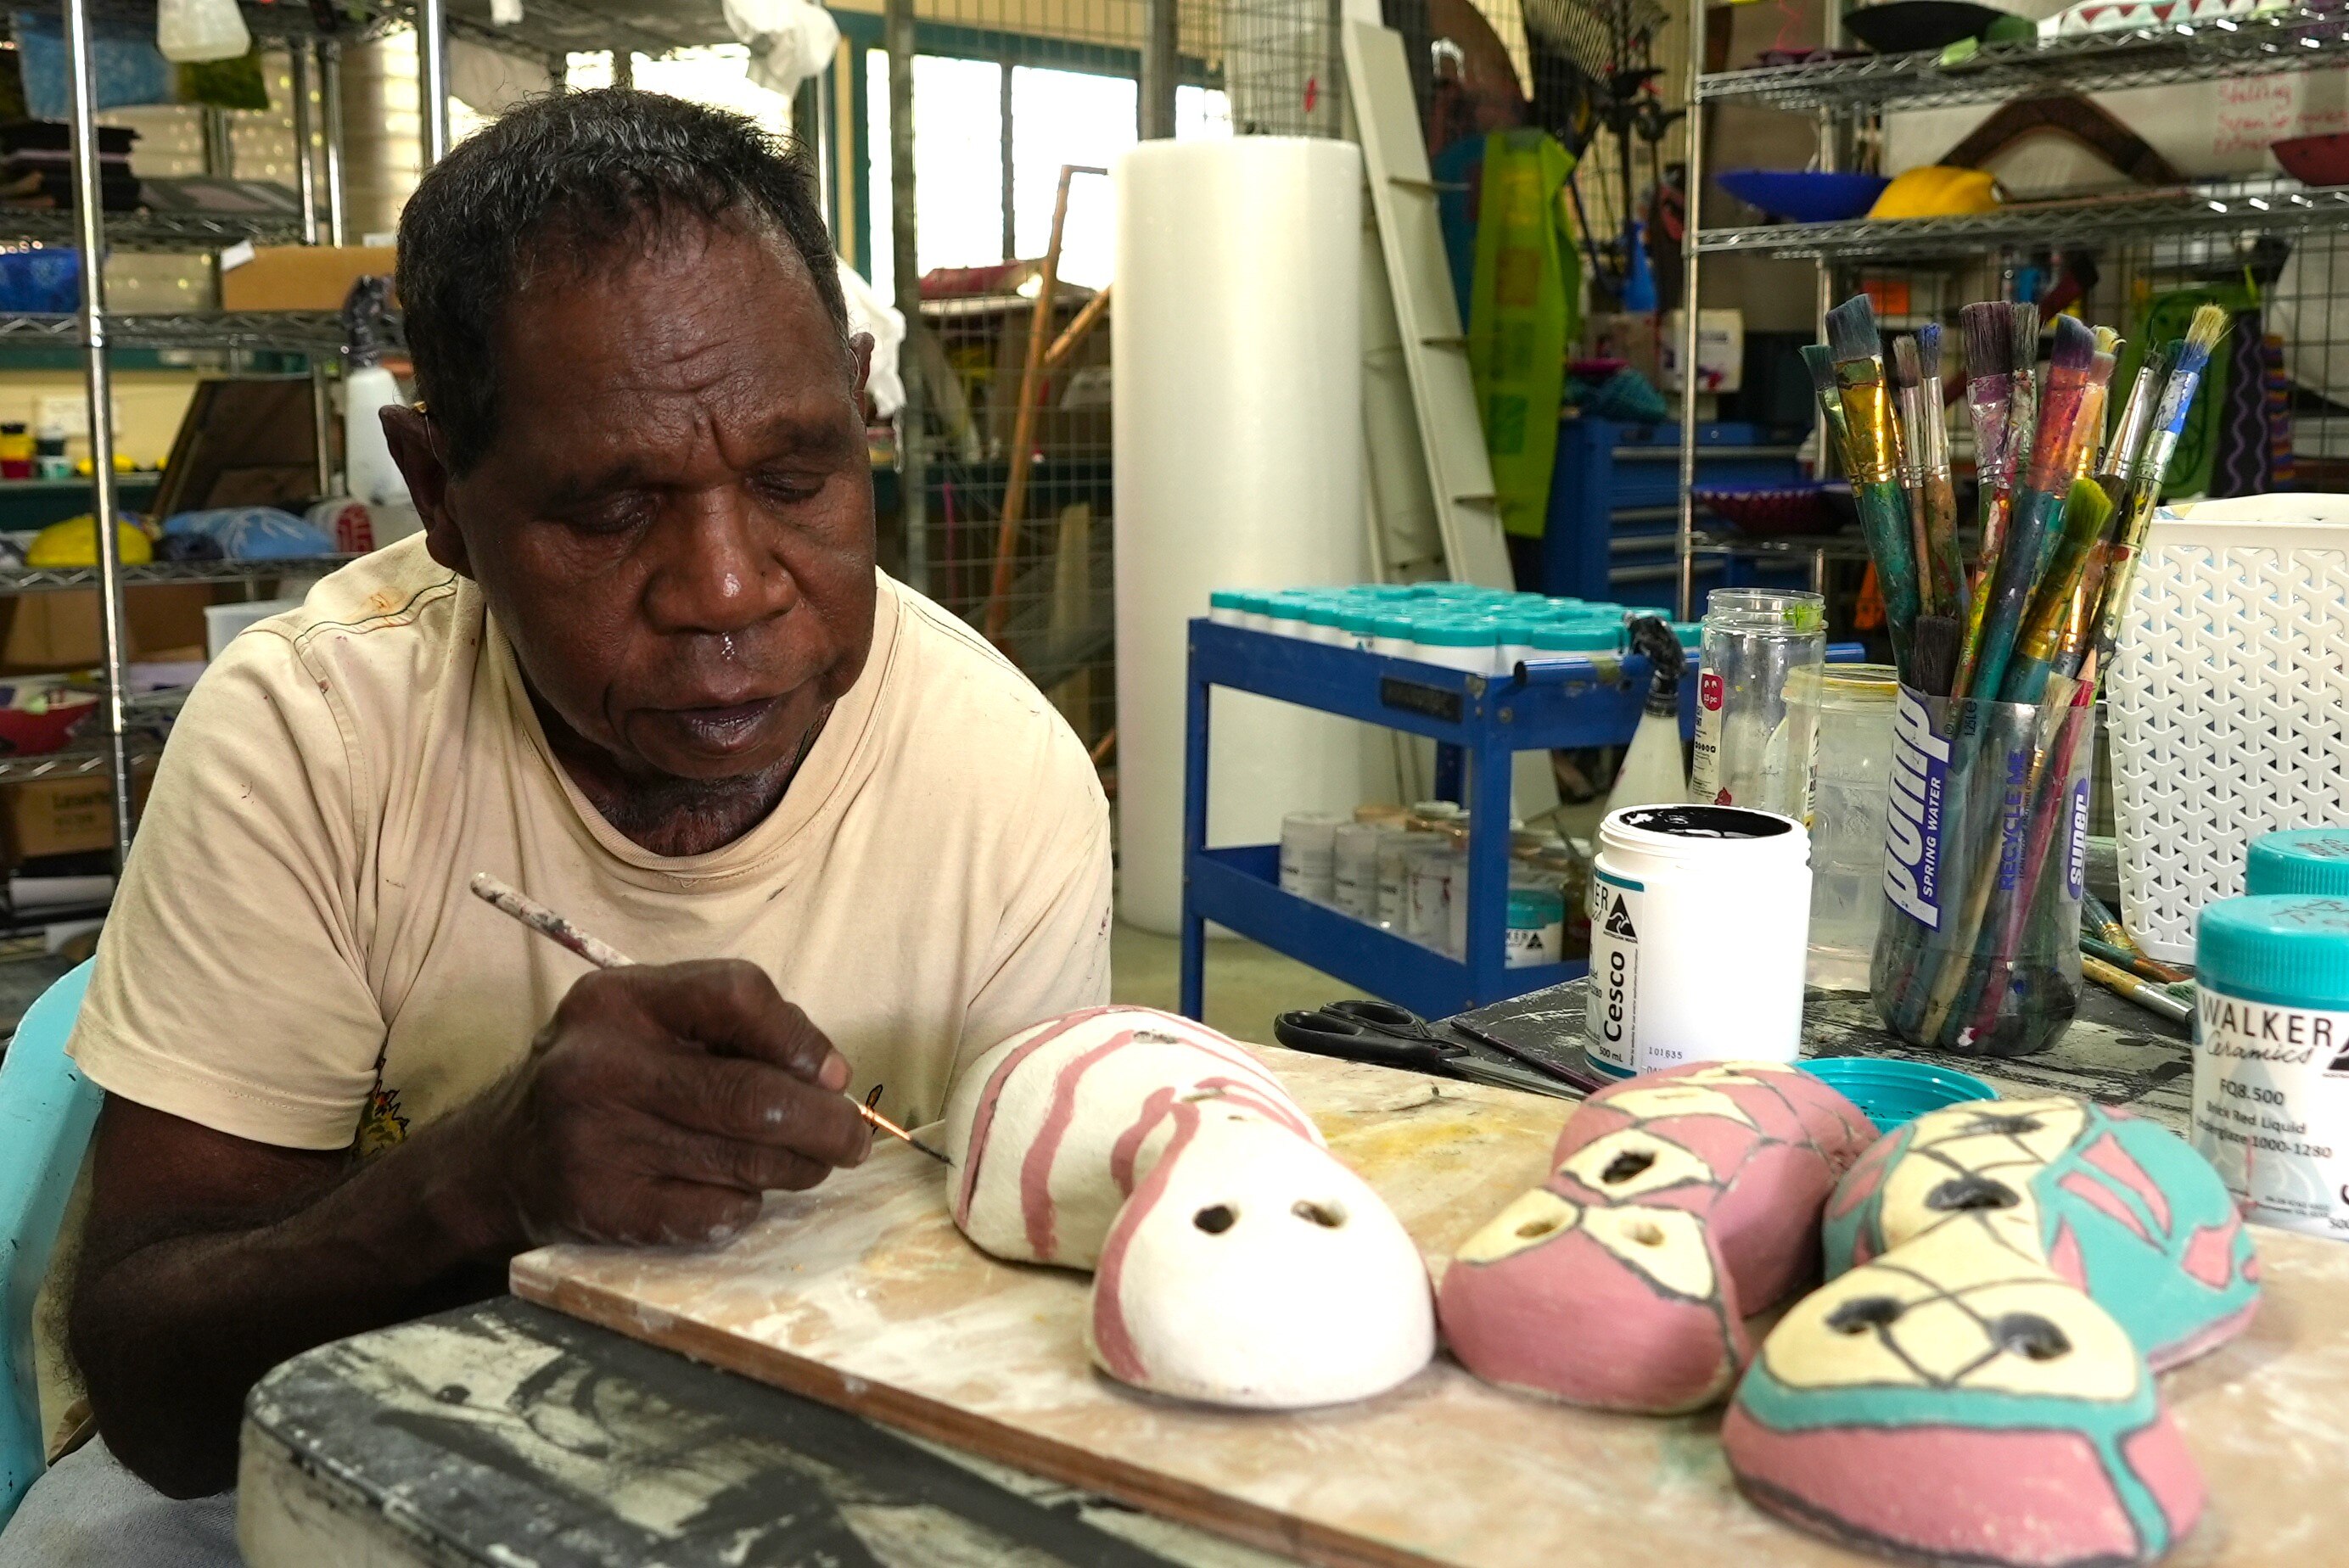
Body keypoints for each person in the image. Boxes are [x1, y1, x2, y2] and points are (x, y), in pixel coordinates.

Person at [0, 88, 1110, 1565]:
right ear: (440, 490)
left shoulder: (1002, 777)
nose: (727, 588)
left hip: (810, 1436)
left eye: (795, 478)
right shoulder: (314, 738)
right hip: (339, 1422)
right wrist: (482, 1181)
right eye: (608, 512)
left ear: (859, 405)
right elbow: (157, 1399)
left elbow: (1015, 1327)